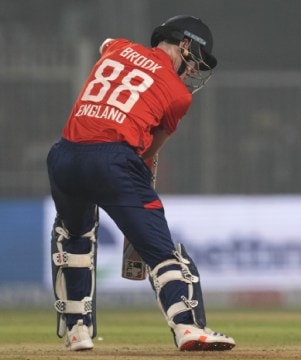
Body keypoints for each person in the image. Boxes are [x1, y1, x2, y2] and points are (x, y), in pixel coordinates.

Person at [46, 15, 236, 352]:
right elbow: (148, 152)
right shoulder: (179, 96)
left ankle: (77, 330)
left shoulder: (117, 48)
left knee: (74, 237)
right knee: (162, 252)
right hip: (113, 161)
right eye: (195, 61)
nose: (193, 71)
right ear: (185, 45)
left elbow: (106, 44)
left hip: (64, 157)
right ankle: (187, 326)